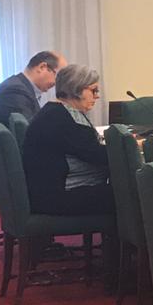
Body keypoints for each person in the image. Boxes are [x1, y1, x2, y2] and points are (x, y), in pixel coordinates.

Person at [20, 63, 113, 216]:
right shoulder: (64, 119)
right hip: (56, 198)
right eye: (93, 90)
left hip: (44, 193)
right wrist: (129, 147)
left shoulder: (54, 111)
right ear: (76, 89)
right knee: (131, 192)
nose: (97, 96)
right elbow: (98, 156)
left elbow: (85, 147)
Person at [0, 50, 62, 190]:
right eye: (57, 76)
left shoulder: (20, 87)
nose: (56, 83)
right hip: (1, 173)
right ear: (42, 67)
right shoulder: (15, 92)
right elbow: (30, 136)